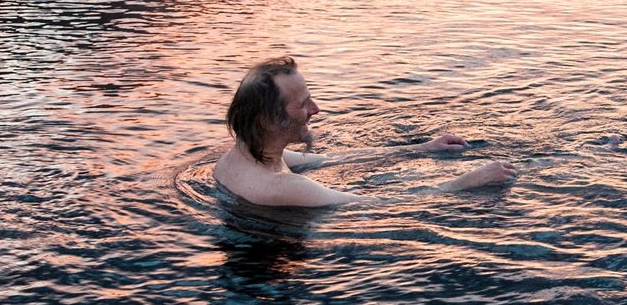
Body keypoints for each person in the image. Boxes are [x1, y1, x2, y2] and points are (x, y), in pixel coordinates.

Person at [212, 56, 518, 207]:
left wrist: (422, 148)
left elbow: (328, 159)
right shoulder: (284, 186)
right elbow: (378, 205)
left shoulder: (242, 156)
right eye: (303, 104)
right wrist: (468, 181)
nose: (316, 109)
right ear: (269, 119)